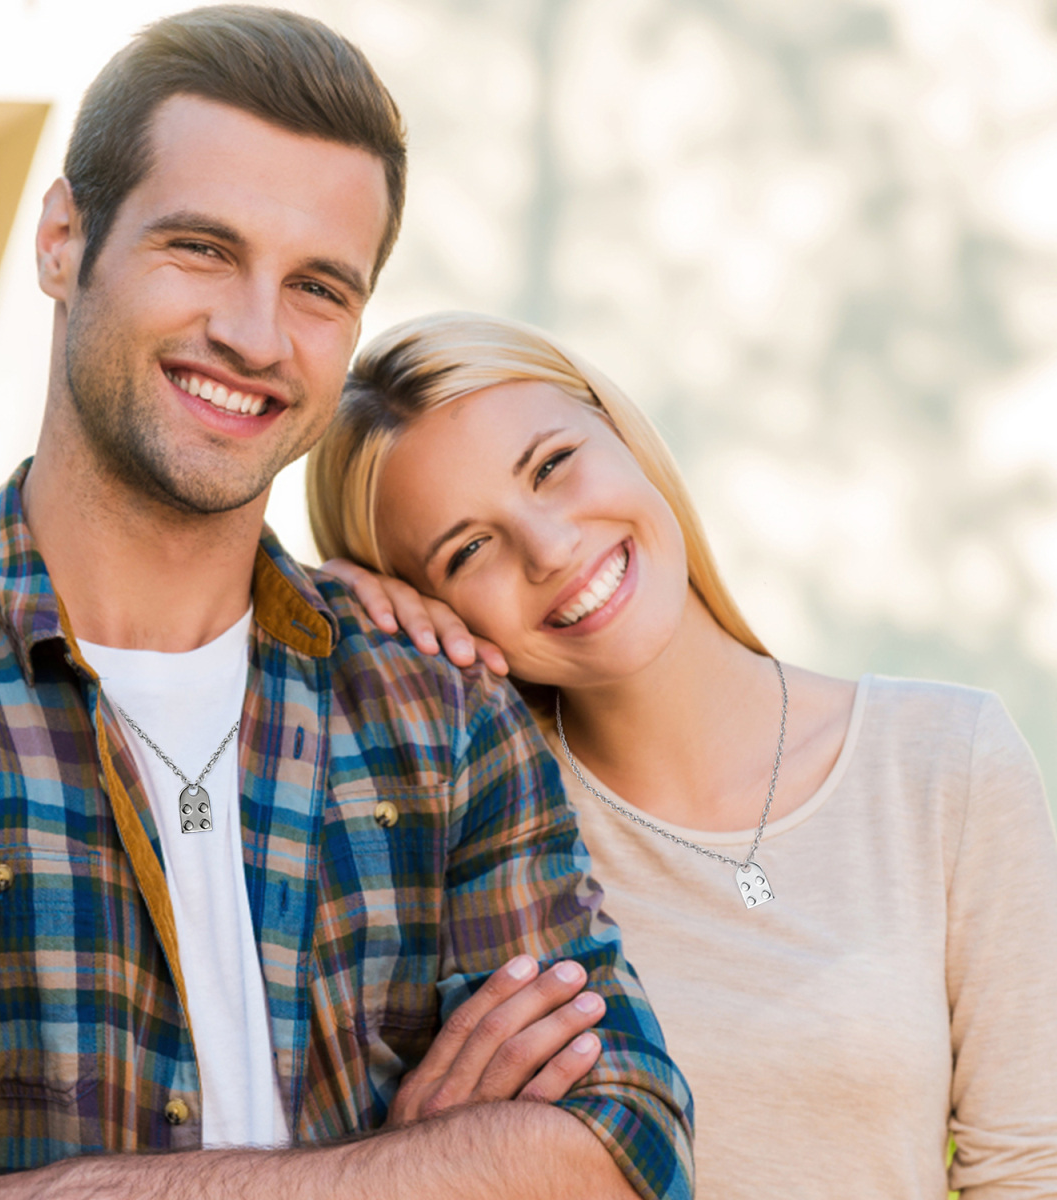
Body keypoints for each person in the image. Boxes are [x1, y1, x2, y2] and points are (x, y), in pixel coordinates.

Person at [0, 12, 694, 1199]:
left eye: (316, 286)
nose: (255, 336)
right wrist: (420, 1168)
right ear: (61, 240)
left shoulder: (438, 714)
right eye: (200, 249)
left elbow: (631, 1150)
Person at [307, 309, 1057, 1200]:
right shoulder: (480, 847)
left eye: (552, 466)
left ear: (621, 431)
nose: (550, 549)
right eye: (469, 550)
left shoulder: (947, 762)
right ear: (424, 605)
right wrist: (338, 617)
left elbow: (1030, 1169)